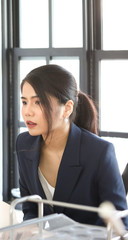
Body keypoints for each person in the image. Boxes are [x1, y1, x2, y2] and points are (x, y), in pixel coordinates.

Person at [16, 64, 128, 228]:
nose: (27, 112)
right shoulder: (24, 144)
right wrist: (29, 230)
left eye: (38, 102)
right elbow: (31, 209)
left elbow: (122, 225)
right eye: (25, 102)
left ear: (67, 108)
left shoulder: (99, 152)